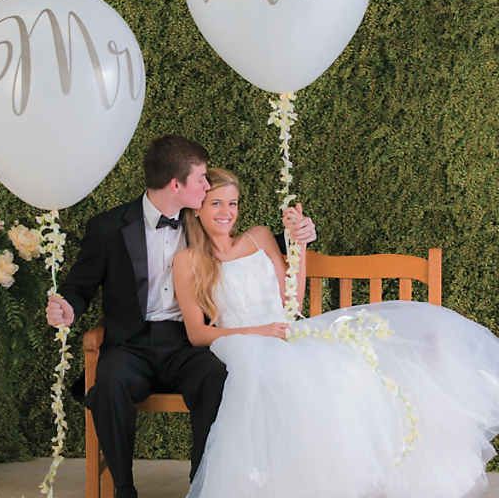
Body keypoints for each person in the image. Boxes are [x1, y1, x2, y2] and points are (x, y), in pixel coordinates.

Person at [173, 168, 499, 498]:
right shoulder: (188, 261)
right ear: (197, 207)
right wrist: (259, 332)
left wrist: (297, 246)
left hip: (286, 331)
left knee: (349, 367)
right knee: (281, 377)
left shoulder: (258, 236)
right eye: (216, 203)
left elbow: (292, 301)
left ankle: (362, 475)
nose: (227, 212)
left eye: (233, 203)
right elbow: (197, 333)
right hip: (243, 342)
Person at [45, 136, 314, 498]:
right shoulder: (108, 228)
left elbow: (250, 245)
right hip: (131, 344)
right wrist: (68, 307)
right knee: (108, 383)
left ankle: (201, 484)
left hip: (188, 342)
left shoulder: (199, 219)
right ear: (177, 185)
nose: (206, 188)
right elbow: (79, 286)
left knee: (216, 378)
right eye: (201, 180)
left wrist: (298, 233)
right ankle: (123, 489)